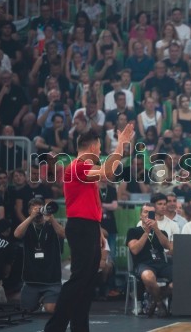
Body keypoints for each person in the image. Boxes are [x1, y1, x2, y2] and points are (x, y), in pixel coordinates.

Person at [44, 123, 134, 331]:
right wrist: (121, 145)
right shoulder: (78, 166)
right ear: (93, 147)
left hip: (89, 226)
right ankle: (54, 327)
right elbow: (107, 173)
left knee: (86, 282)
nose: (101, 151)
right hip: (81, 226)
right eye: (100, 147)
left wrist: (97, 230)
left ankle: (79, 327)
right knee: (79, 279)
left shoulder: (81, 167)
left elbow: (92, 199)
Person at [14, 198, 65, 313]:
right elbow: (17, 234)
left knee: (50, 309)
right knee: (26, 310)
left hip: (51, 279)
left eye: (40, 208)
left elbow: (63, 234)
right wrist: (31, 217)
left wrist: (51, 219)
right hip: (31, 280)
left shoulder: (52, 224)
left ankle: (47, 302)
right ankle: (38, 301)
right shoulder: (26, 226)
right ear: (29, 211)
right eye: (34, 209)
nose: (38, 212)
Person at [126, 203, 172, 317]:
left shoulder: (161, 232)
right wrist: (146, 232)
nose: (148, 215)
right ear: (141, 215)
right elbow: (135, 250)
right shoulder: (133, 231)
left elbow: (168, 246)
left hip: (161, 264)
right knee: (148, 277)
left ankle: (154, 301)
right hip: (143, 264)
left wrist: (155, 229)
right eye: (145, 212)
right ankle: (160, 303)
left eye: (151, 213)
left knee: (181, 277)